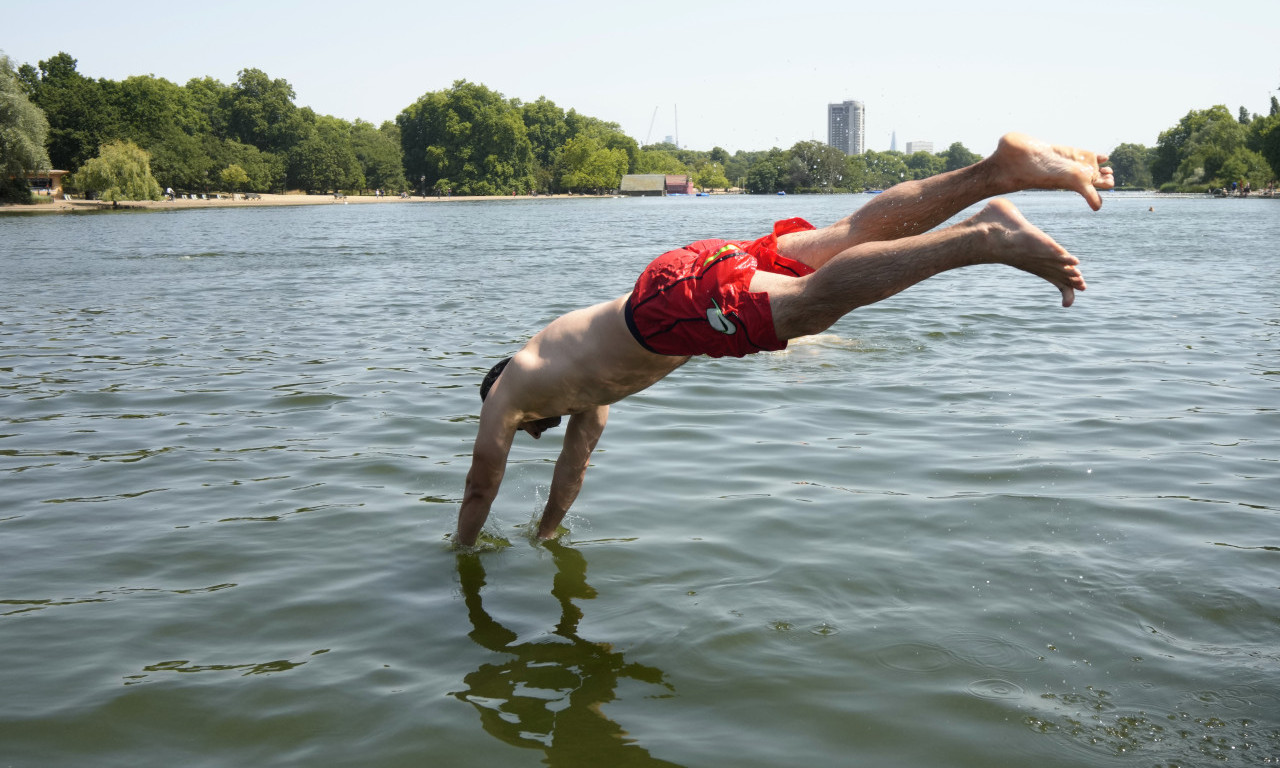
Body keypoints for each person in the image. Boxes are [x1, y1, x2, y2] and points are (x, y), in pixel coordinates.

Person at [454, 133, 1114, 548]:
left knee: (808, 309)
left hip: (671, 307)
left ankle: (981, 238)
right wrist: (547, 534)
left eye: (529, 429)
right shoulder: (585, 396)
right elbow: (573, 470)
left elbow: (482, 485)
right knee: (848, 236)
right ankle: (999, 173)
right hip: (682, 277)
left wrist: (460, 552)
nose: (535, 433)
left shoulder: (508, 391)